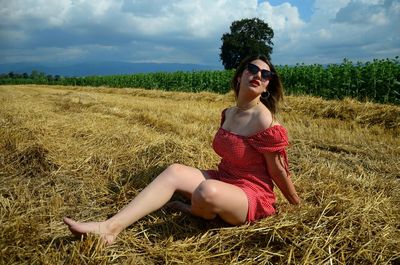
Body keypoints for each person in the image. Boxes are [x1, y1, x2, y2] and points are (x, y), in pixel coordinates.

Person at [63, 54, 300, 245]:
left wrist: (296, 205)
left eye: (265, 74)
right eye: (252, 69)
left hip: (251, 194)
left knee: (206, 192)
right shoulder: (228, 113)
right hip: (224, 178)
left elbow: (278, 171)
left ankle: (198, 210)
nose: (258, 75)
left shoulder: (264, 120)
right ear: (239, 77)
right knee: (174, 170)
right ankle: (110, 228)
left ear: (267, 86)